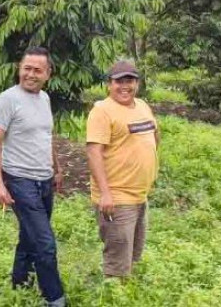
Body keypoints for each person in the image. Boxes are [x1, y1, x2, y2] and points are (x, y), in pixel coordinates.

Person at [0, 47, 66, 307]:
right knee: (46, 244)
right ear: (19, 69)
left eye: (37, 70)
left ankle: (19, 285)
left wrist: (56, 168)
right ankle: (55, 299)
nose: (30, 74)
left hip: (43, 180)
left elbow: (46, 136)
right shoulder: (7, 99)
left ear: (48, 74)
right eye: (26, 68)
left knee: (30, 238)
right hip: (19, 180)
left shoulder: (44, 98)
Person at [86, 60, 160, 278]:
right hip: (117, 199)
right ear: (109, 84)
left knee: (133, 255)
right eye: (119, 81)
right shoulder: (102, 111)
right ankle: (113, 296)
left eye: (130, 81)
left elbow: (154, 135)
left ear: (137, 83)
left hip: (140, 196)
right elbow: (93, 152)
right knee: (117, 262)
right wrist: (105, 193)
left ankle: (126, 293)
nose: (124, 86)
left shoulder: (143, 106)